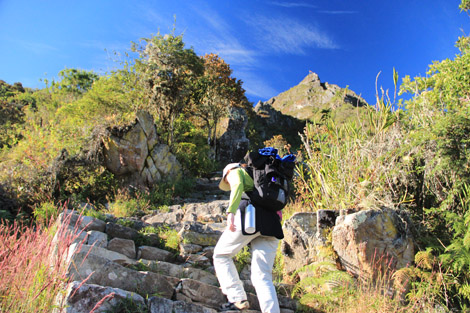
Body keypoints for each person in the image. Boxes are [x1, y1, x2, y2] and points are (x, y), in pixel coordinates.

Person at [213, 162, 283, 313]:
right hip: (272, 223)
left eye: (226, 181)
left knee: (220, 255)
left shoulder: (235, 171)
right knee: (262, 277)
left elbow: (237, 184)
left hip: (249, 219)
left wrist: (231, 212)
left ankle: (237, 297)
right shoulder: (262, 178)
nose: (228, 183)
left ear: (227, 173)